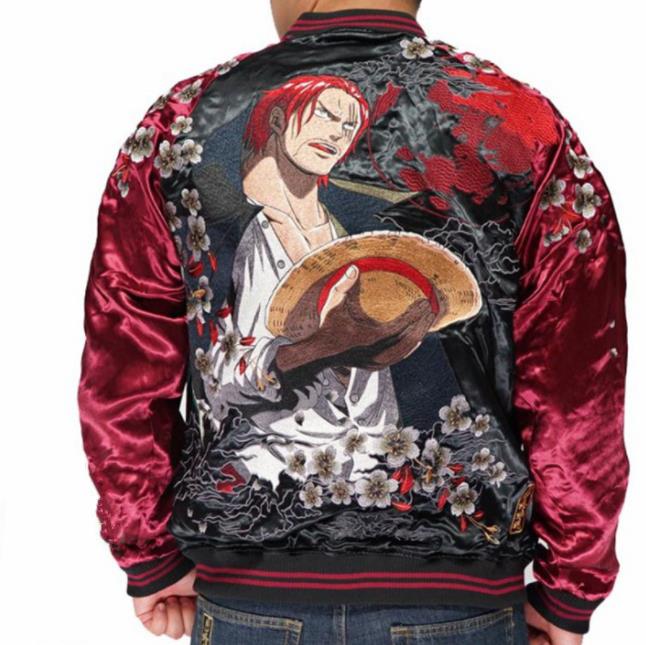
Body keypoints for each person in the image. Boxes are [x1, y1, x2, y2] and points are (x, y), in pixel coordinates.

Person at [77, 1, 629, 643]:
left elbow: (121, 370)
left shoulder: (178, 129)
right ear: (280, 118)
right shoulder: (525, 126)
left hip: (251, 594)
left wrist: (147, 553)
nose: (338, 134)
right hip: (457, 602)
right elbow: (580, 384)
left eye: (348, 124)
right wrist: (570, 587)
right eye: (326, 116)